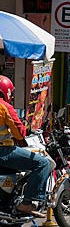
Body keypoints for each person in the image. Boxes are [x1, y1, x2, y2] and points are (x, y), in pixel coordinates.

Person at [0, 76, 50, 218]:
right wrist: (24, 131)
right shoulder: (4, 106)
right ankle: (28, 202)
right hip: (3, 151)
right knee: (42, 163)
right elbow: (19, 130)